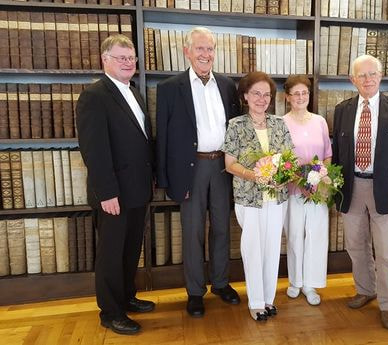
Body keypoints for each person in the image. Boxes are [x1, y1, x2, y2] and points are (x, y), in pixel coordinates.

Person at [155, 27, 241, 318]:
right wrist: (166, 179)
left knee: (221, 227)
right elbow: (163, 137)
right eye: (200, 49)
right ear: (187, 51)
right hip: (189, 168)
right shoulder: (169, 88)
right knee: (192, 232)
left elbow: (237, 130)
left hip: (223, 167)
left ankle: (219, 282)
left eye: (210, 49)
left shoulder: (229, 86)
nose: (206, 54)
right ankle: (194, 292)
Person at [76, 34, 155, 335]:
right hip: (114, 194)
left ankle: (126, 298)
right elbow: (94, 150)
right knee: (111, 254)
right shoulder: (95, 95)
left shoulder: (133, 92)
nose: (127, 62)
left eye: (131, 57)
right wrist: (107, 192)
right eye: (120, 57)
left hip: (137, 190)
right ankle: (110, 312)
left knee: (130, 249)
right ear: (104, 60)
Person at [332, 55, 388, 330]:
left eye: (372, 74)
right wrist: (334, 189)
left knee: (386, 252)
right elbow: (337, 155)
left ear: (381, 76)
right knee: (355, 245)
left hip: (386, 189)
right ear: (352, 80)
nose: (367, 79)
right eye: (361, 75)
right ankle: (365, 289)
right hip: (351, 187)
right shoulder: (342, 109)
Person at [223, 71, 294, 321]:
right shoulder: (236, 125)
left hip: (277, 197)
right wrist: (256, 176)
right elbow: (230, 164)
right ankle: (255, 302)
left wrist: (282, 172)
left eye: (266, 94)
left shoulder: (279, 123)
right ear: (245, 96)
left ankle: (268, 299)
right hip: (249, 197)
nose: (262, 99)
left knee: (273, 248)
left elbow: (289, 160)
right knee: (253, 248)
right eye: (256, 93)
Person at [282, 75, 332, 306]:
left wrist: (320, 181)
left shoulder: (320, 121)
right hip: (293, 189)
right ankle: (295, 281)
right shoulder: (280, 122)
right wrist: (300, 182)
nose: (301, 97)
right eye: (296, 93)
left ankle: (311, 283)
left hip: (318, 192)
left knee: (316, 235)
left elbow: (328, 154)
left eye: (305, 93)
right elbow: (281, 159)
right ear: (287, 97)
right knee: (294, 235)